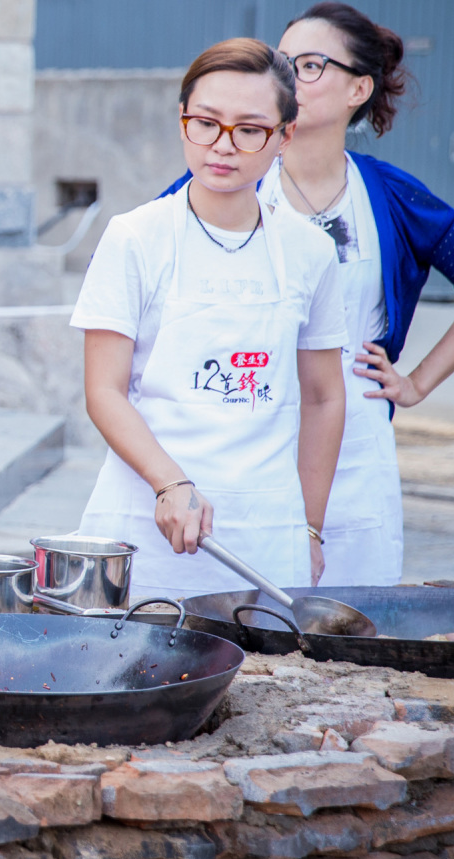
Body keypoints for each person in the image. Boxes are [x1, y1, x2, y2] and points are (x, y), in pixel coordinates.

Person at [158, 3, 454, 587]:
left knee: (348, 630)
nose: (287, 74)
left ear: (359, 87)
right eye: (283, 60)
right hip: (243, 436)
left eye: (309, 64)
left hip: (353, 442)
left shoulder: (391, 195)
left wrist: (415, 382)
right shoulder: (219, 182)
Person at [74, 39, 348, 602]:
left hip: (267, 531)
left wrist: (310, 528)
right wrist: (169, 482)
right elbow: (104, 390)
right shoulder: (136, 238)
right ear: (182, 122)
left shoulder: (309, 252)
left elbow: (324, 397)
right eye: (206, 123)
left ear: (284, 136)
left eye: (249, 130)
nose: (223, 147)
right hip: (146, 526)